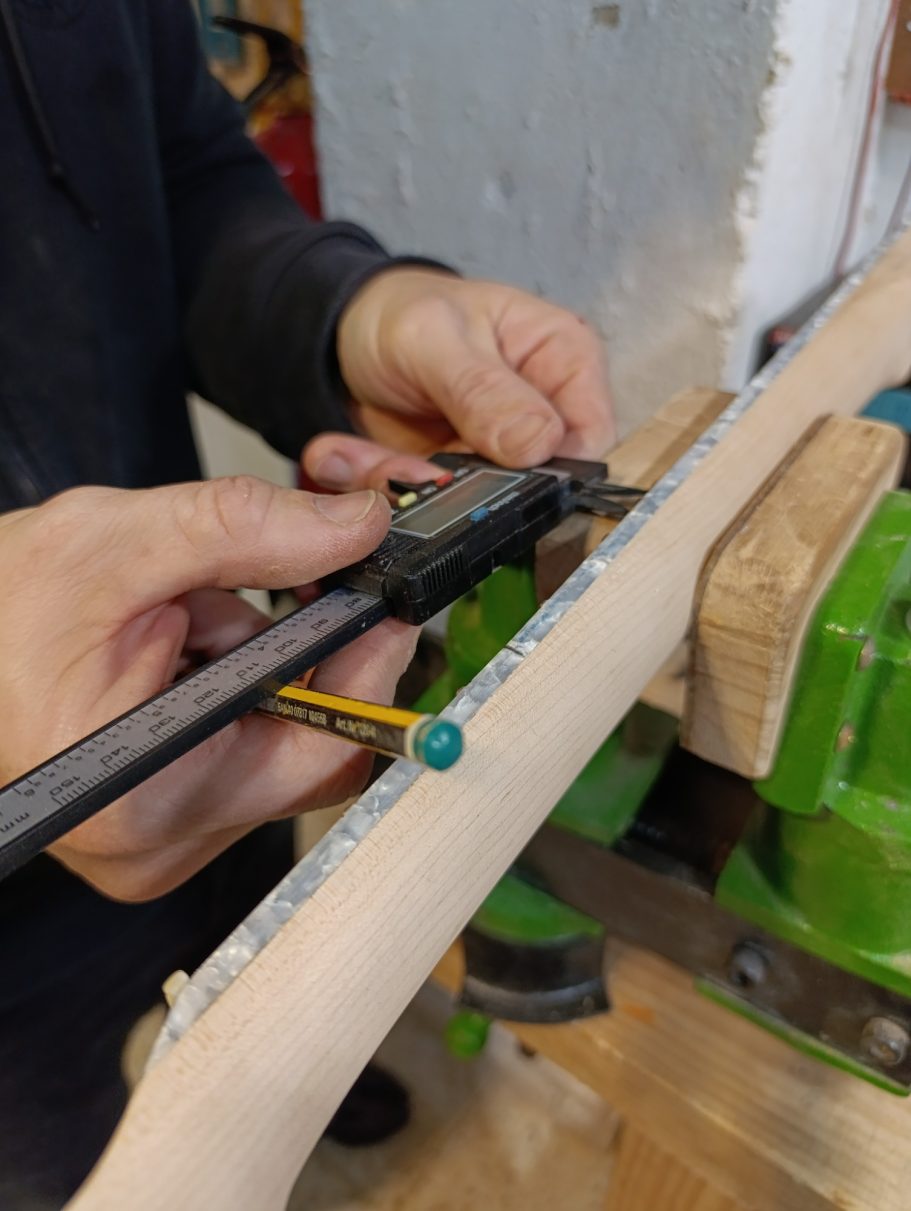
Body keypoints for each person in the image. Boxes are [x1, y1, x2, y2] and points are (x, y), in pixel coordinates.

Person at [0, 1, 614, 1206]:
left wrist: (347, 313)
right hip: (12, 971)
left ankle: (308, 1087)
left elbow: (184, 173)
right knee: (71, 1159)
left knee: (266, 986)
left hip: (203, 658)